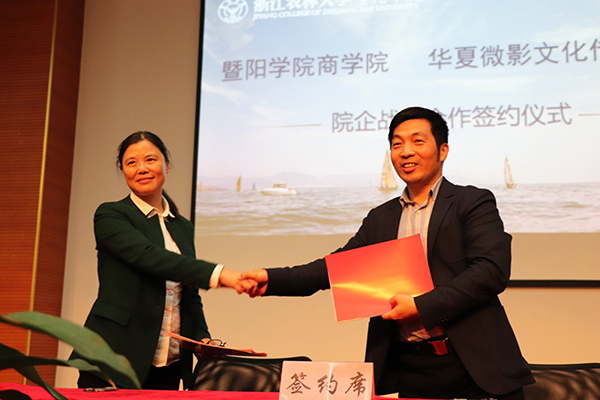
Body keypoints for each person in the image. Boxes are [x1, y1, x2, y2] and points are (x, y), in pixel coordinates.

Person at [241, 107, 535, 399]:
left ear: (443, 150)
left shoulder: (471, 202)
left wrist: (420, 306)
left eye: (418, 141)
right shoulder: (380, 218)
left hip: (476, 366)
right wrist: (271, 278)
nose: (406, 152)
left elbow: (490, 271)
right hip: (411, 368)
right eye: (397, 144)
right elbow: (335, 268)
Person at [72, 131, 245, 390]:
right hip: (114, 356)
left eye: (150, 160)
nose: (142, 168)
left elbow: (189, 294)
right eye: (131, 162)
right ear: (123, 170)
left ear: (167, 164)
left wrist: (202, 338)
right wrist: (221, 274)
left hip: (169, 360)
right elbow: (151, 257)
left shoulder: (182, 226)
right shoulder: (110, 214)